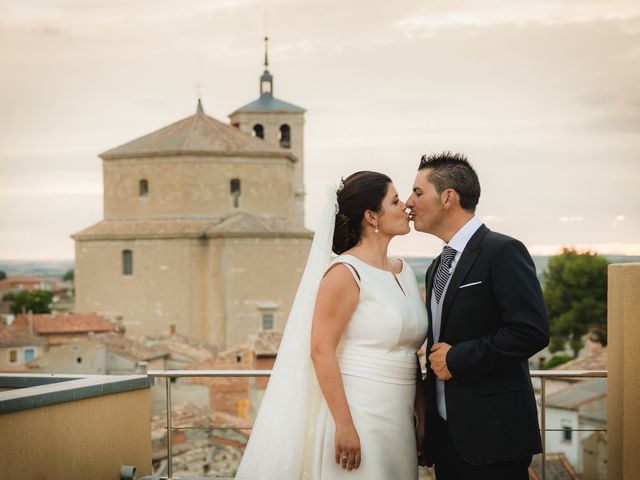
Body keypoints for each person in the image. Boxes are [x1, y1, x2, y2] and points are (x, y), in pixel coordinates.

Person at [235, 171, 428, 480]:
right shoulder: (345, 272)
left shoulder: (404, 272)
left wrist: (421, 412)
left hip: (400, 416)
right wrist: (345, 425)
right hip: (359, 411)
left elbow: (409, 352)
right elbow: (321, 349)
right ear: (371, 216)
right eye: (394, 200)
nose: (405, 205)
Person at [406, 152, 549, 480]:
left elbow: (531, 331)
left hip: (493, 436)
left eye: (418, 192)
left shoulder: (502, 251)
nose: (409, 203)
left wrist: (458, 359)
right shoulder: (436, 267)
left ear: (448, 197)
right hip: (447, 440)